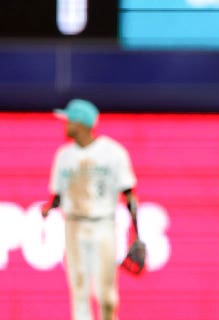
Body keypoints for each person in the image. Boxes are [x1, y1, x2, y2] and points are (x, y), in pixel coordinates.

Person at [41, 99, 139, 320]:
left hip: (102, 225)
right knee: (79, 290)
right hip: (74, 225)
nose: (66, 125)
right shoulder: (64, 155)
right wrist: (50, 206)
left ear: (81, 123)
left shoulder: (113, 152)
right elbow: (58, 194)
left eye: (70, 120)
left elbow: (129, 193)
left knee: (106, 296)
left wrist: (137, 234)